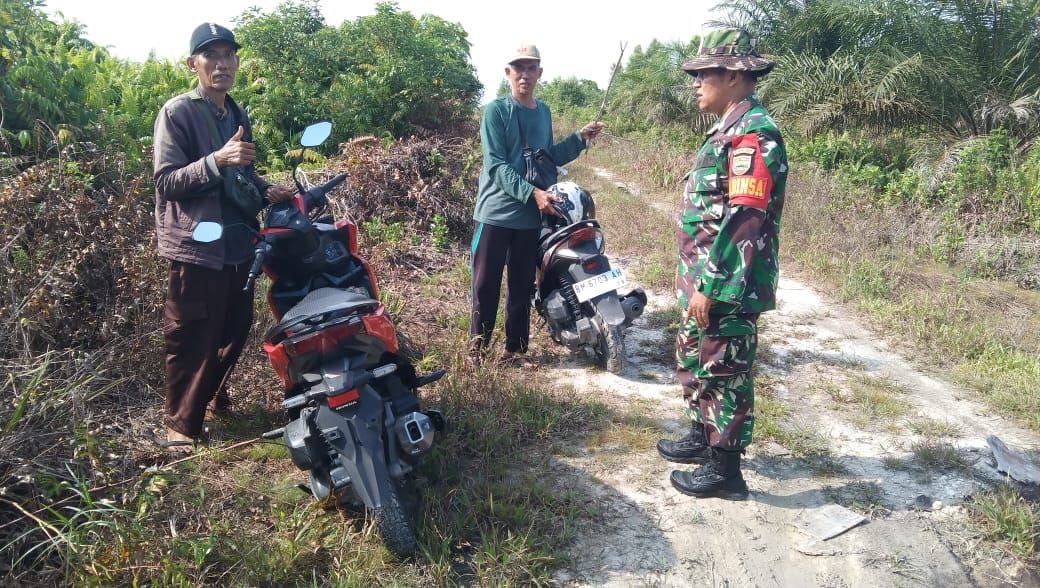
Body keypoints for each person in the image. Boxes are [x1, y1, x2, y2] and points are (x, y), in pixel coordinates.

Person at [655, 29, 787, 499]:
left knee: (724, 369)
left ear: (734, 75)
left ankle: (725, 469)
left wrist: (710, 285)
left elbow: (745, 218)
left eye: (703, 73)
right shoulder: (728, 129)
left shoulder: (753, 134)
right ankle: (701, 435)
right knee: (694, 356)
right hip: (704, 282)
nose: (695, 82)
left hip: (727, 284)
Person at [153, 23, 294, 451]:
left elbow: (243, 173)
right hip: (196, 246)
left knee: (234, 327)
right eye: (210, 56)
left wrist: (267, 189)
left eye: (228, 55)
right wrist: (216, 159)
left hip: (237, 242)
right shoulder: (177, 113)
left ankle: (209, 398)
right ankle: (180, 427)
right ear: (192, 64)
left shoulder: (235, 112)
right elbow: (166, 183)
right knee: (192, 333)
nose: (221, 64)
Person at [470, 43, 604, 367]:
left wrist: (579, 139)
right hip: (495, 214)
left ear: (540, 73)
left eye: (531, 68)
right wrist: (533, 194)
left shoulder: (543, 112)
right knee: (485, 285)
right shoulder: (496, 112)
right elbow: (496, 164)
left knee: (521, 286)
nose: (525, 75)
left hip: (531, 218)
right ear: (508, 73)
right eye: (518, 68)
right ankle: (477, 351)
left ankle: (514, 352)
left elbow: (547, 159)